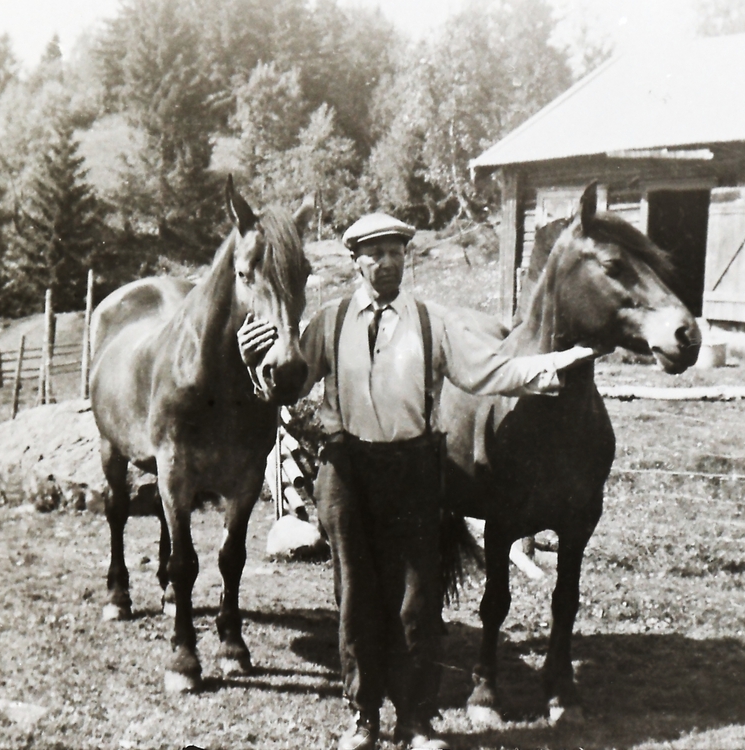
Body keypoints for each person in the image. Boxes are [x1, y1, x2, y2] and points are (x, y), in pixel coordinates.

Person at [238, 213, 603, 750]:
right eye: (376, 253)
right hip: (347, 473)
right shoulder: (330, 322)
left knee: (417, 603)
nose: (387, 262)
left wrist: (556, 365)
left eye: (396, 252)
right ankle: (363, 719)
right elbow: (288, 386)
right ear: (356, 261)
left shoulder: (430, 323)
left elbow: (490, 370)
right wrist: (257, 365)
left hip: (413, 470)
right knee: (356, 599)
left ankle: (416, 720)